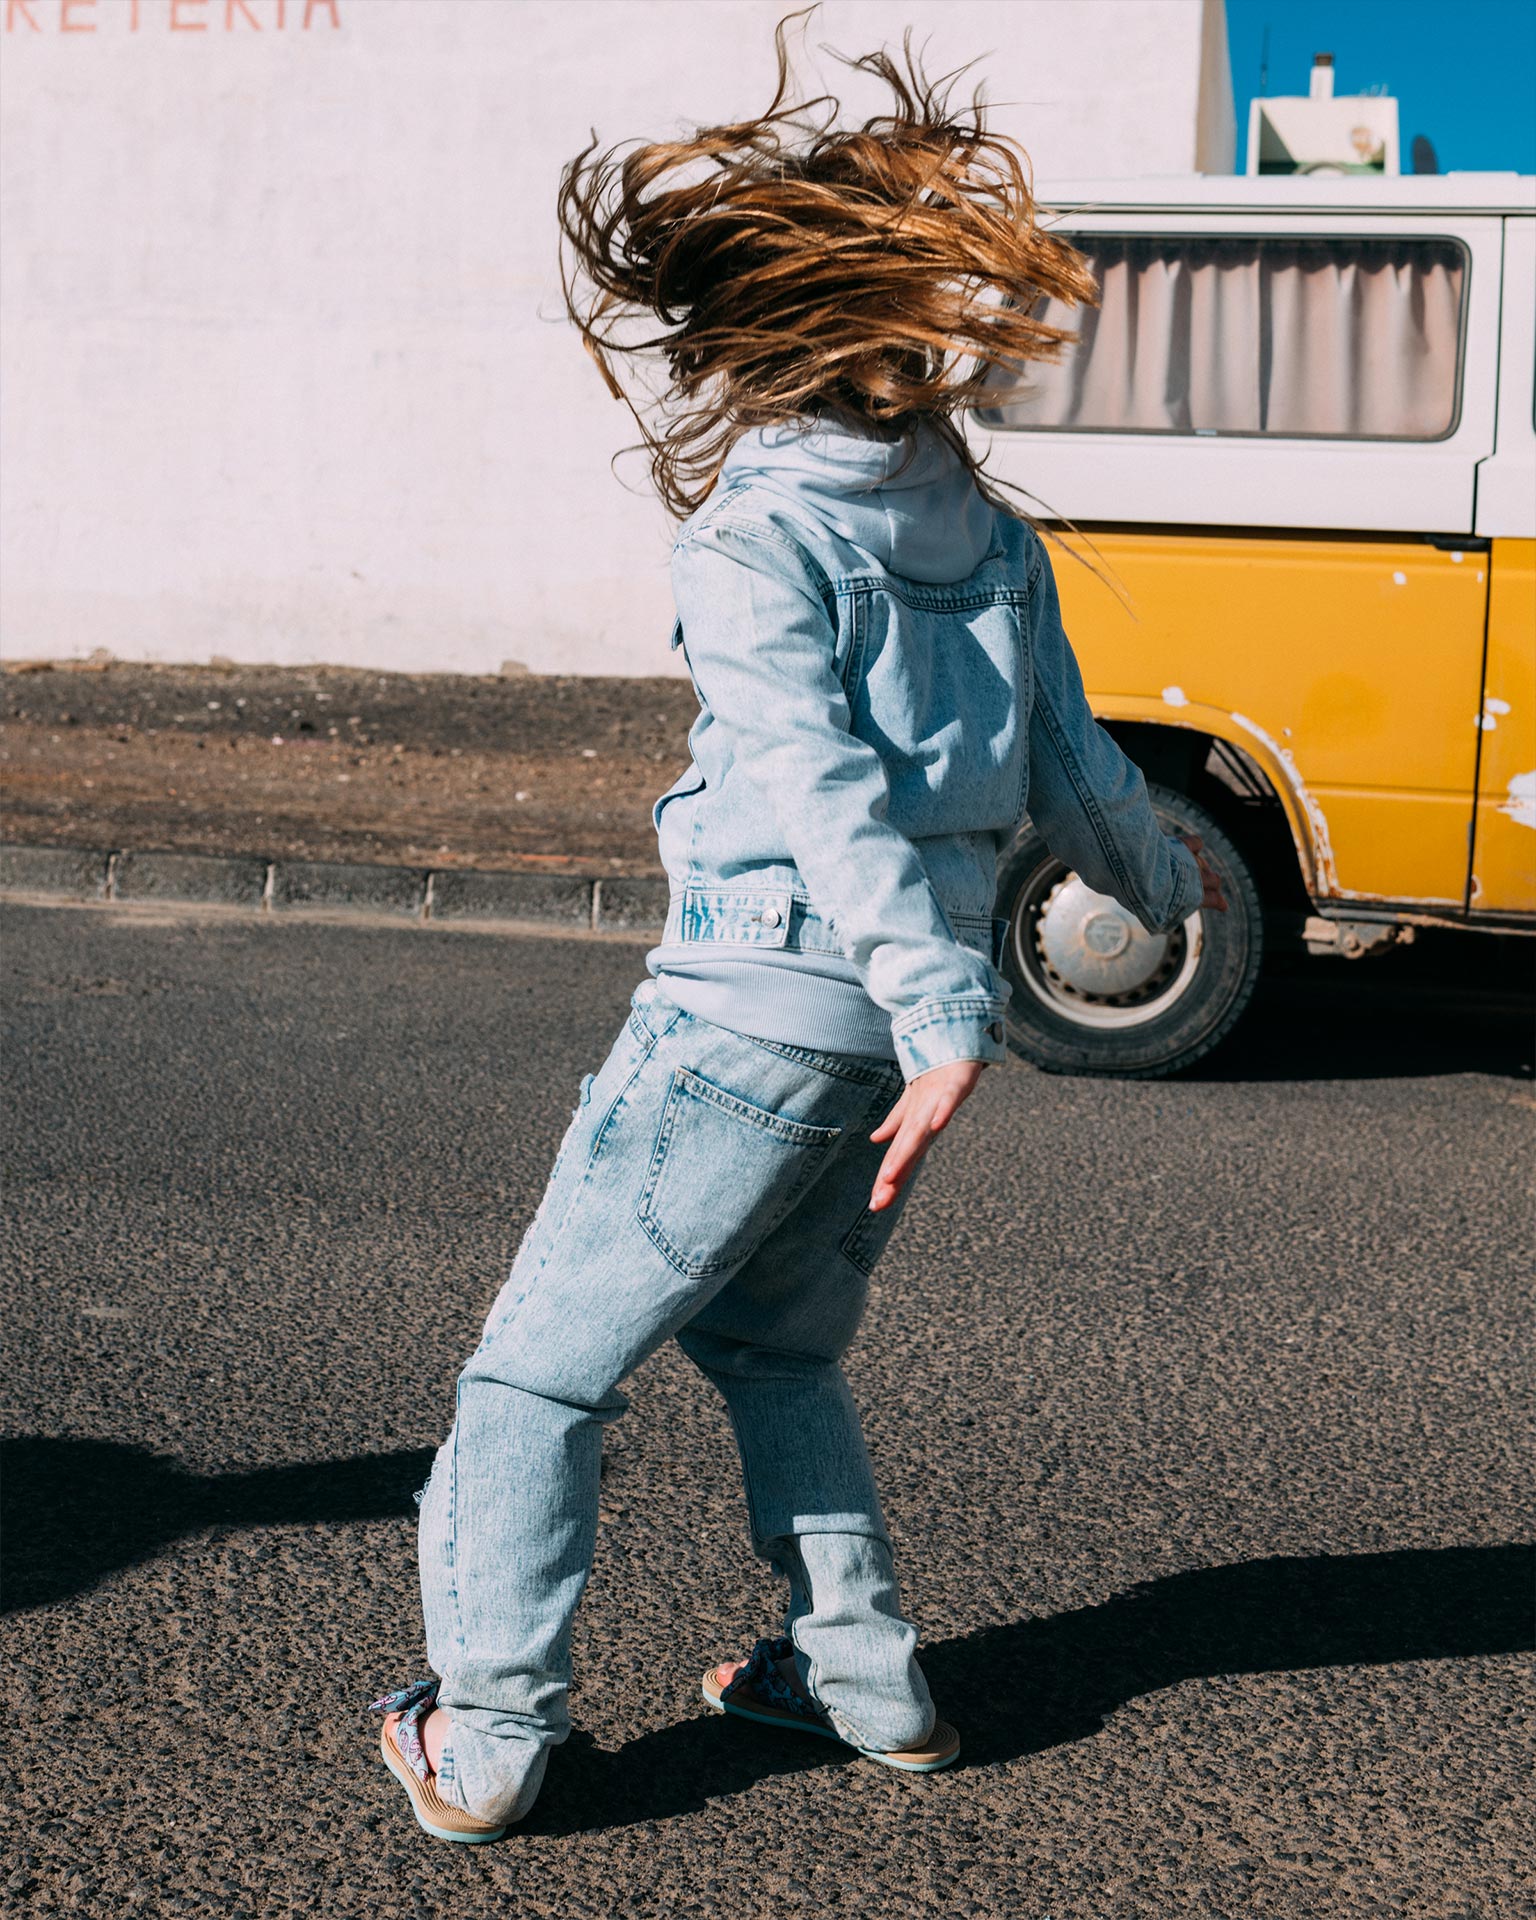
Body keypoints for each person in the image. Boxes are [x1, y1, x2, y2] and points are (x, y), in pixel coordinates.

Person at [369, 8, 1227, 1844]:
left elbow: (818, 787)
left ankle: (490, 1740)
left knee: (534, 1374)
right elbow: (1076, 767)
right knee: (776, 1350)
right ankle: (863, 1680)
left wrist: (942, 1015)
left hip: (755, 1016)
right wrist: (1164, 889)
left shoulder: (756, 534)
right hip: (877, 1055)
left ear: (769, 334)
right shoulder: (984, 531)